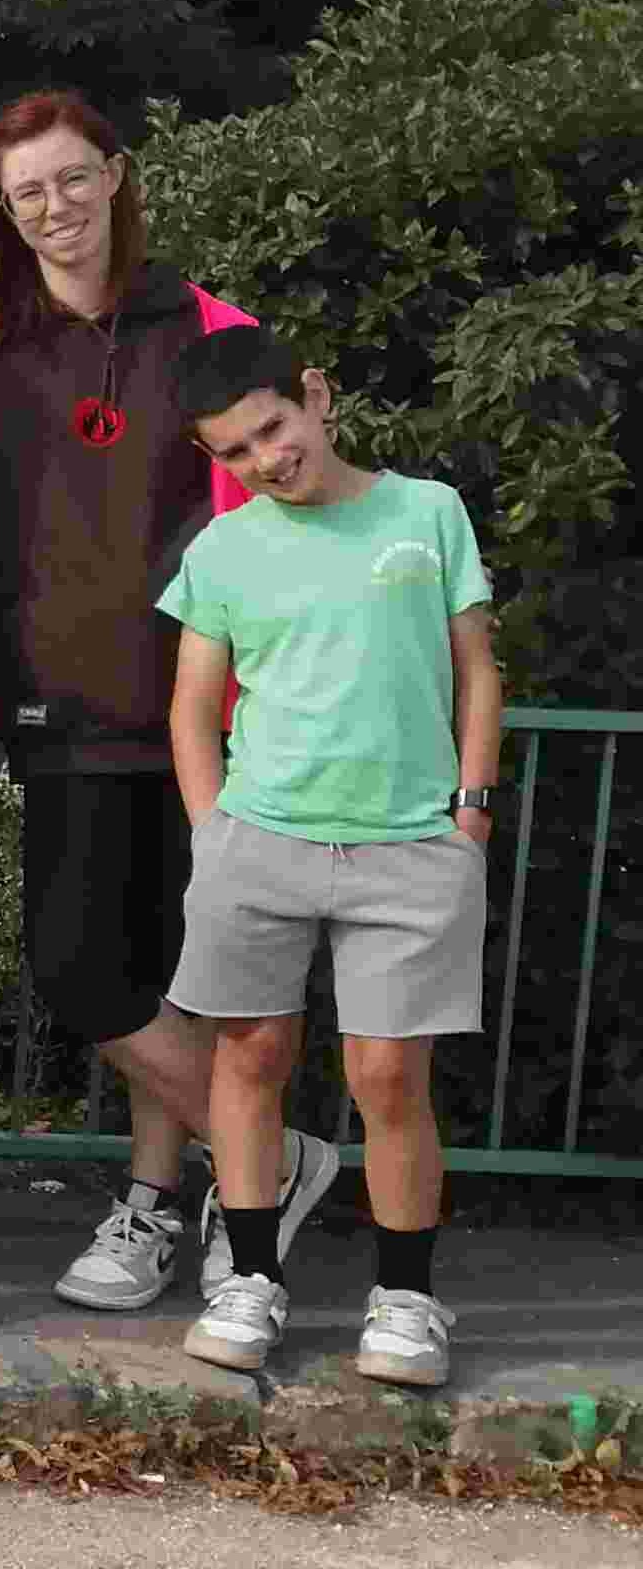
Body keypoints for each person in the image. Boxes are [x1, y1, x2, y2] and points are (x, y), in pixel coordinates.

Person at [0, 91, 342, 1312]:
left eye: (74, 179)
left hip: (216, 712)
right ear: (4, 208)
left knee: (176, 974)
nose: (56, 207)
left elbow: (286, 502)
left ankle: (158, 1201)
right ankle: (266, 1163)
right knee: (85, 968)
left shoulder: (209, 329)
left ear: (117, 176)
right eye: (28, 191)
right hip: (57, 705)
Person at [158, 326, 497, 1387]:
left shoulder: (428, 512)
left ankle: (406, 1301)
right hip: (261, 842)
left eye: (272, 430)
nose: (265, 460)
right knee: (248, 1061)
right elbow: (193, 703)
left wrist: (471, 814)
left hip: (413, 847)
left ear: (314, 396)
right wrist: (213, 832)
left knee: (388, 1075)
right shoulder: (220, 552)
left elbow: (478, 671)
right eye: (235, 453)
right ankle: (250, 1280)